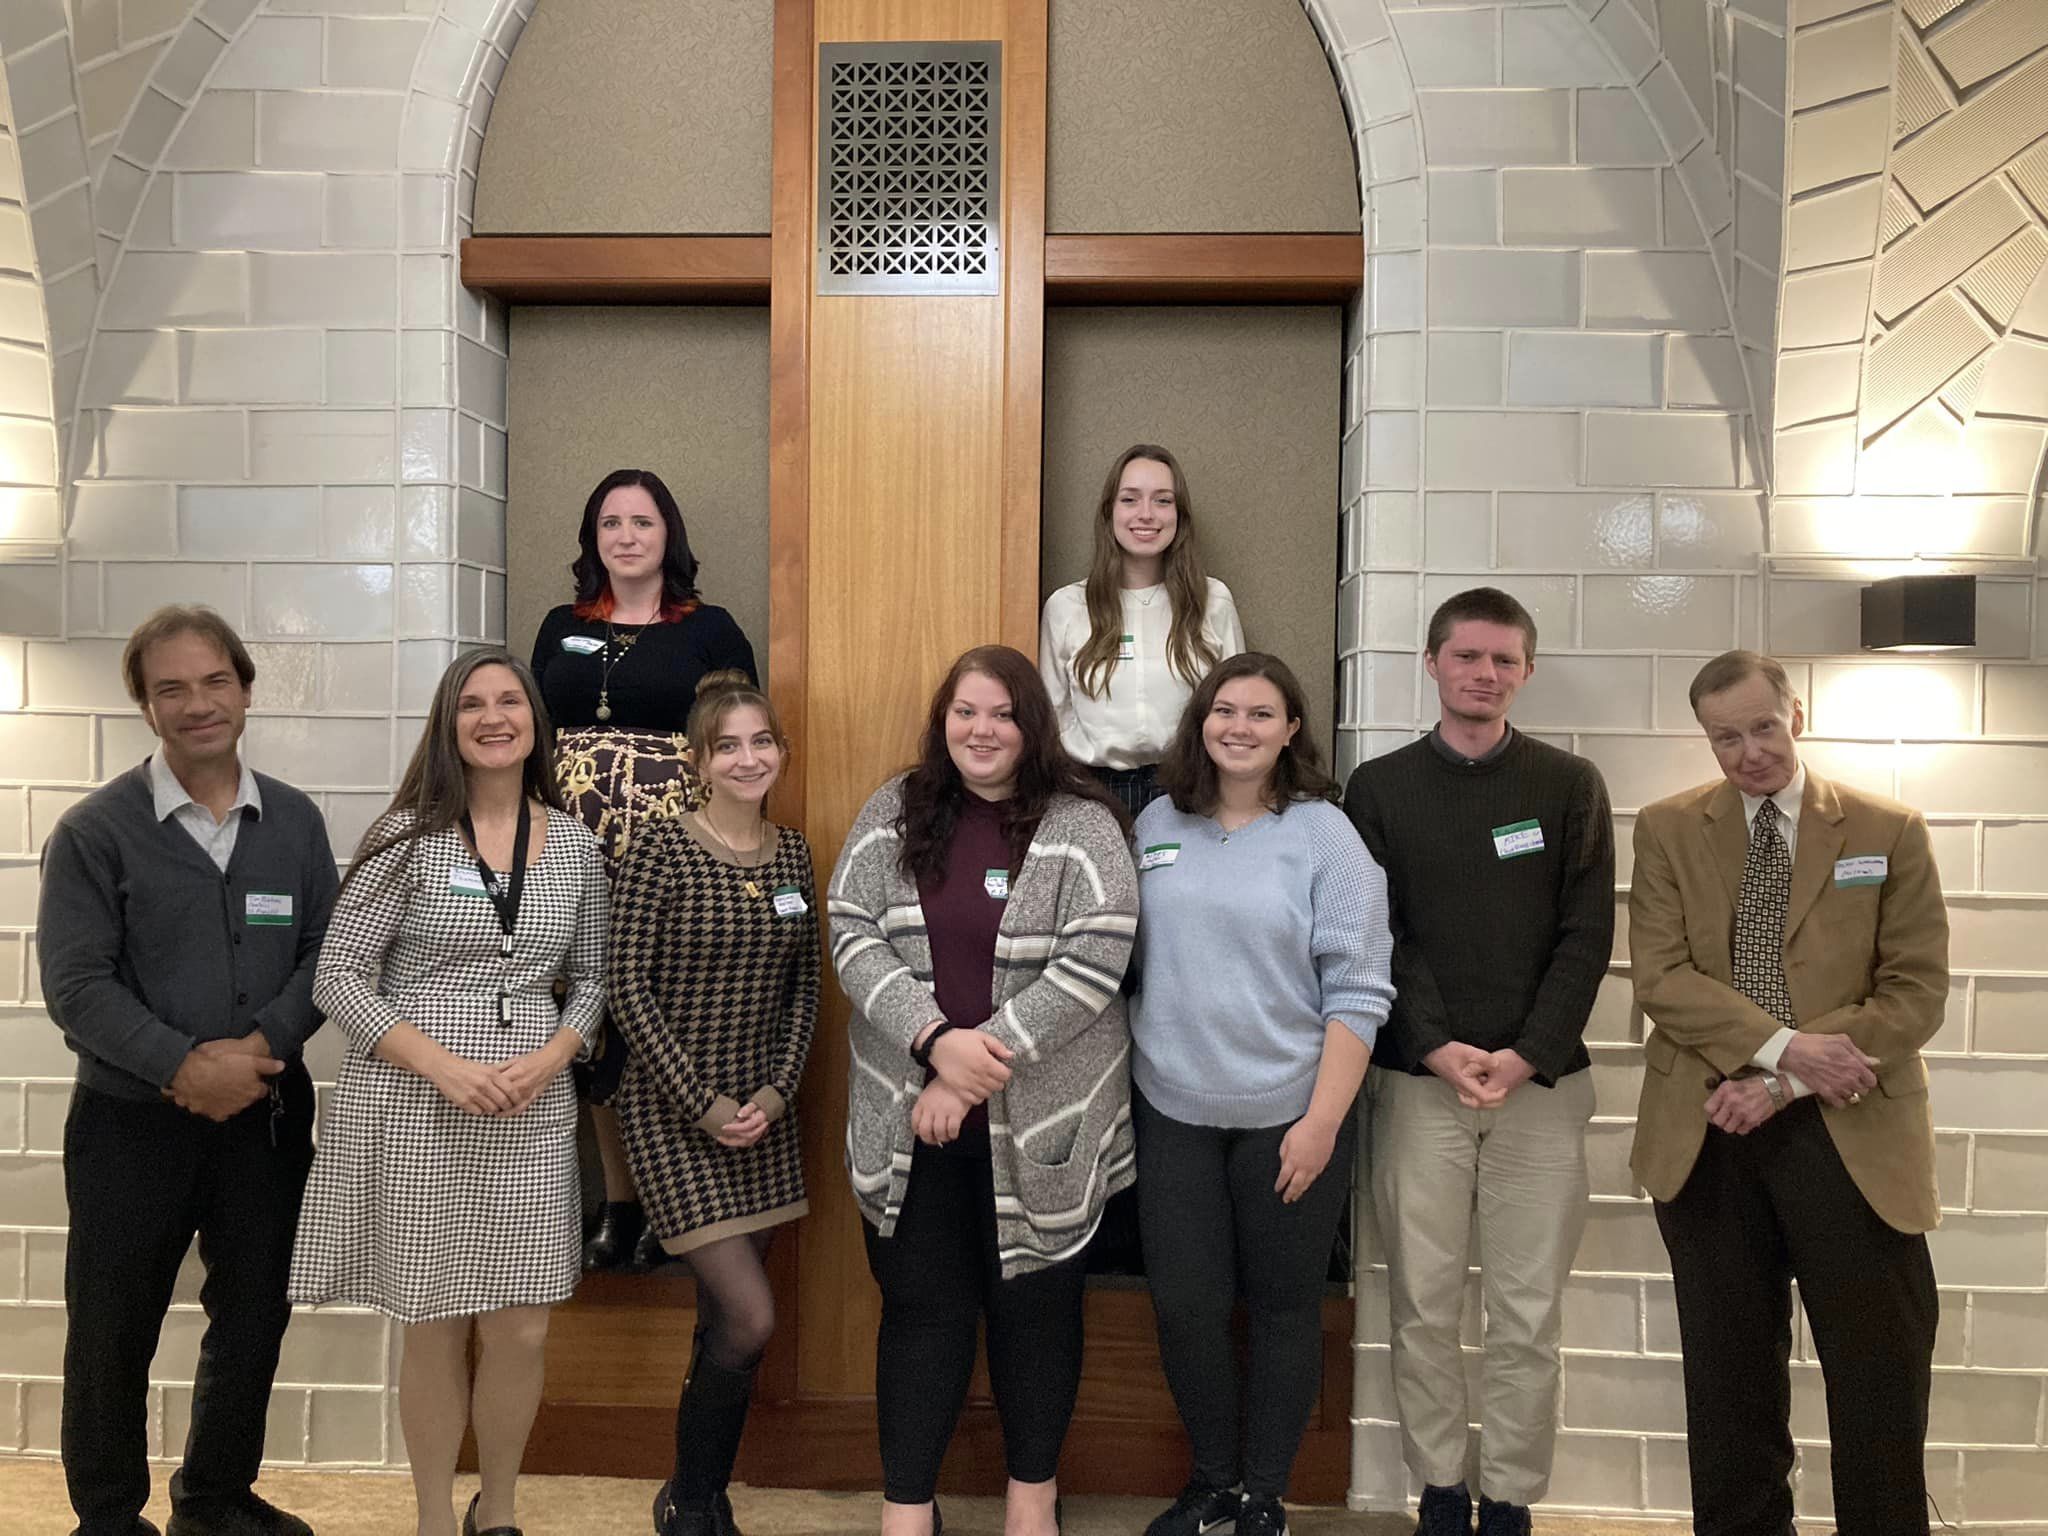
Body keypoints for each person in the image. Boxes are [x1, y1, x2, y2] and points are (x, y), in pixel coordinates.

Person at [288, 648, 609, 1536]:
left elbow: (591, 980)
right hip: (421, 1101)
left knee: (522, 1329)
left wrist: (551, 1060)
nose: (494, 716)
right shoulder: (405, 837)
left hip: (531, 1104)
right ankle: (434, 1517)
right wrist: (442, 1065)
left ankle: (496, 1510)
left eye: (511, 700)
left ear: (536, 721)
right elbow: (340, 979)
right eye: (472, 703)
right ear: (448, 724)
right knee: (433, 1317)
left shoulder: (574, 842)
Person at [1630, 650, 1947, 1536]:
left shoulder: (1888, 829)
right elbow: (1662, 979)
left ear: (1795, 715)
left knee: (1879, 1383)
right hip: (1709, 1134)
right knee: (1730, 1393)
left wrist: (1783, 1080)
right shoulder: (1665, 829)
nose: (1747, 753)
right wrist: (1788, 1049)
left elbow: (1915, 992)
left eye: (1762, 727)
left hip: (1851, 1137)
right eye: (1724, 738)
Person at [38, 605, 336, 1536]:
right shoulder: (95, 831)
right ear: (145, 706)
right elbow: (76, 986)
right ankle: (109, 1516)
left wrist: (258, 1052)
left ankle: (214, 1501)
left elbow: (330, 955)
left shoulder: (293, 820)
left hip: (268, 1116)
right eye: (172, 688)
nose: (197, 704)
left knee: (252, 1322)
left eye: (214, 681)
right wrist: (181, 1066)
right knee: (110, 1331)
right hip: (129, 1123)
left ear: (245, 690)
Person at [829, 645, 1138, 1536]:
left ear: (1031, 724)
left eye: (1002, 713)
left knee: (1036, 1317)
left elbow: (1099, 956)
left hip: (1044, 1122)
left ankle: (1031, 1499)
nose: (982, 729)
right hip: (906, 1119)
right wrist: (932, 1042)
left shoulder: (1084, 823)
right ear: (943, 720)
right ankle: (907, 1508)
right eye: (966, 711)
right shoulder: (895, 811)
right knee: (921, 1314)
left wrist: (970, 1070)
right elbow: (852, 931)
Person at [1341, 589, 1613, 1536]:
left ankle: (1509, 1499)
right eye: (1467, 657)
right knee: (1421, 1302)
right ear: (1432, 664)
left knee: (1527, 1314)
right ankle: (1441, 1492)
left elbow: (1587, 933)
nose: (1484, 674)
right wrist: (1434, 1044)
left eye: (1503, 660)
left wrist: (1529, 1054)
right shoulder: (1376, 789)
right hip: (1420, 1086)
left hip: (1542, 1089)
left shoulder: (1570, 785)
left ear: (1526, 672)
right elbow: (1381, 935)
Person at [1131, 653, 1394, 1536]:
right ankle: (1210, 1483)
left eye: (1261, 714)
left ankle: (1264, 1497)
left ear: (1291, 732)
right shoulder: (1155, 822)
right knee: (1187, 1306)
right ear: (1200, 723)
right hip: (1173, 1111)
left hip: (1291, 1115)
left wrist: (1322, 1123)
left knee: (1285, 1309)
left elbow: (1360, 988)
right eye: (1223, 710)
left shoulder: (1325, 834)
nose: (1238, 727)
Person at [607, 672, 820, 1536]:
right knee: (750, 1313)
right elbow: (625, 985)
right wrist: (701, 1102)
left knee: (721, 1322)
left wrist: (774, 1093)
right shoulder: (660, 848)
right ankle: (696, 1500)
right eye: (727, 745)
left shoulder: (796, 853)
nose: (747, 757)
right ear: (698, 760)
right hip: (672, 1113)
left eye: (760, 741)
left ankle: (695, 1493)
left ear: (779, 751)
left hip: (764, 1118)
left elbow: (806, 986)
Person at [531, 467, 758, 1274]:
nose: (627, 536)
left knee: (663, 1017)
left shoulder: (710, 628)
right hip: (573, 853)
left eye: (644, 522)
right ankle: (619, 1203)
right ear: (594, 539)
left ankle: (670, 1198)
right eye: (611, 523)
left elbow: (738, 743)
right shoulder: (562, 625)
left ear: (670, 536)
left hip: (671, 856)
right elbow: (536, 735)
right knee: (589, 1023)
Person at [1039, 443, 1244, 816]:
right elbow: (1052, 719)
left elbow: (1236, 707)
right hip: (1092, 796)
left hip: (1189, 791)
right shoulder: (1067, 607)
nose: (1146, 514)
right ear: (1109, 512)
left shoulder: (1212, 600)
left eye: (1163, 501)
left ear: (1179, 514)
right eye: (1130, 499)